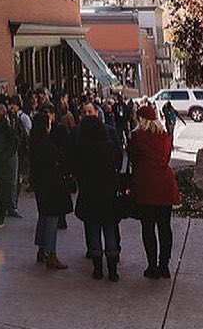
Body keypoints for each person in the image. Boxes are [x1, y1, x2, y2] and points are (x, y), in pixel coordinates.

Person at [129, 103, 180, 280]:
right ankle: (164, 265)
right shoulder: (164, 135)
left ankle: (152, 266)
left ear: (140, 119)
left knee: (148, 228)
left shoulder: (137, 136)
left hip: (145, 186)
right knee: (165, 227)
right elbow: (167, 157)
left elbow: (132, 158)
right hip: (165, 185)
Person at [73, 114, 120, 282]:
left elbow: (78, 171)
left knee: (93, 231)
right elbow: (116, 165)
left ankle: (98, 269)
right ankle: (113, 271)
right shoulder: (108, 147)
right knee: (109, 231)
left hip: (89, 195)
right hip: (108, 195)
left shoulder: (82, 149)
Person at [29, 110, 72, 270]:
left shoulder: (35, 141)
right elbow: (58, 159)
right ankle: (51, 253)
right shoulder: (45, 144)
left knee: (44, 217)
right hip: (51, 186)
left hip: (41, 186)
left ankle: (42, 249)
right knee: (52, 219)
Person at [7, 95, 31, 214]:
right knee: (14, 178)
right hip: (16, 151)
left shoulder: (23, 118)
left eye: (13, 105)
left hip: (20, 151)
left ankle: (14, 201)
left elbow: (28, 133)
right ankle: (12, 202)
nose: (11, 107)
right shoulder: (10, 118)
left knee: (17, 177)